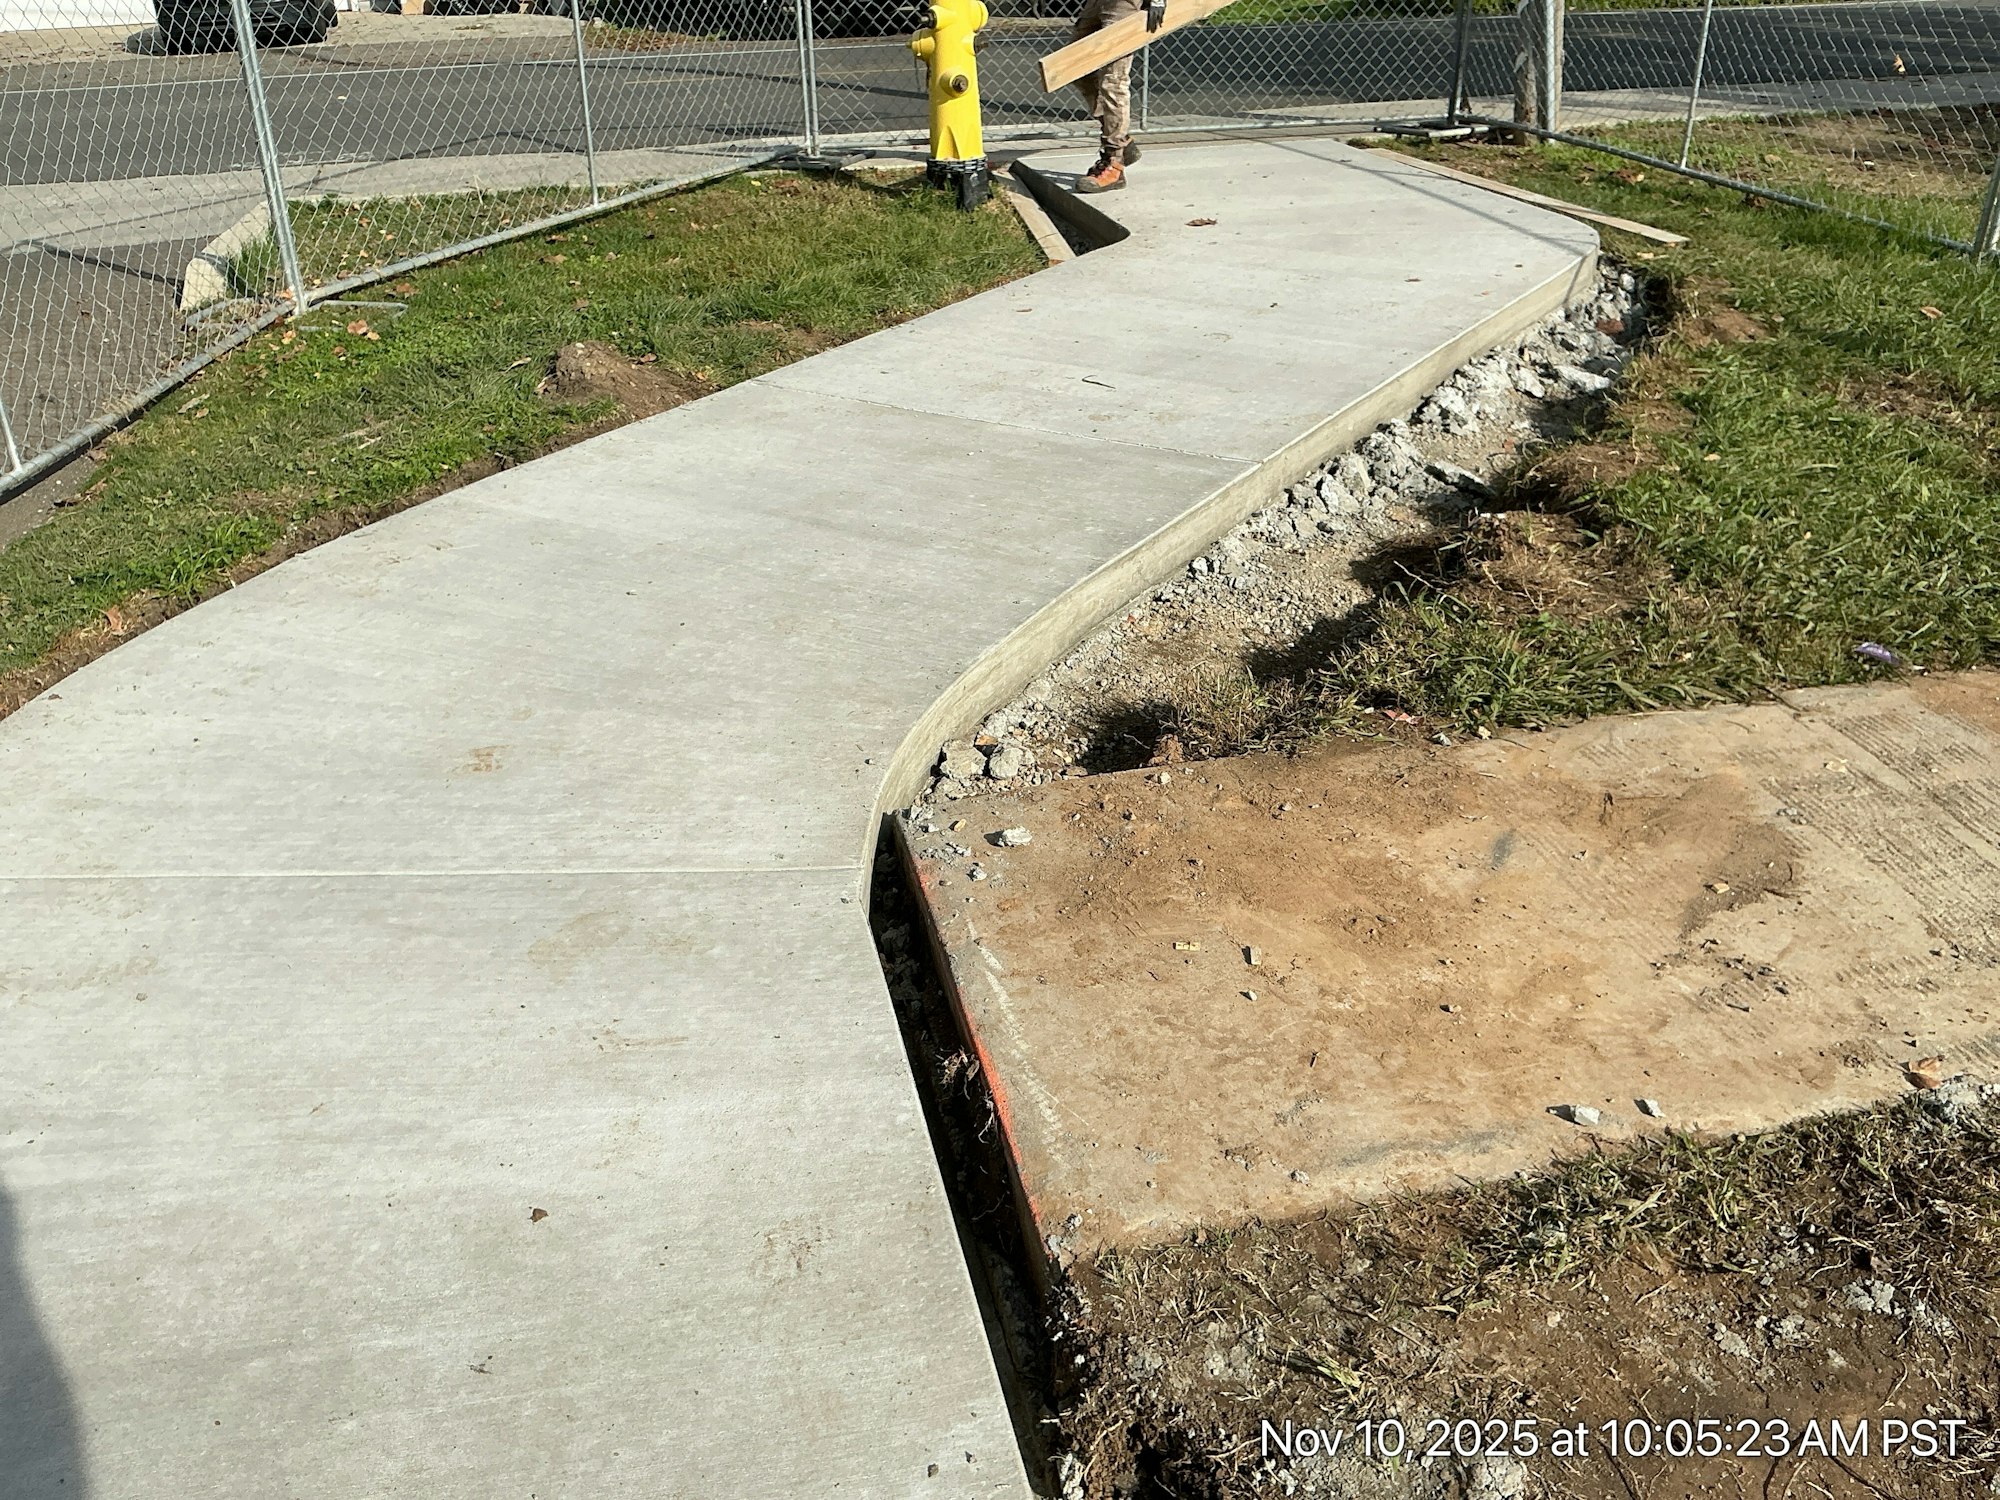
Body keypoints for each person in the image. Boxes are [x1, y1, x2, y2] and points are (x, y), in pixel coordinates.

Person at [1071, 0, 1145, 192]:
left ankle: (1115, 163)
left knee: (1113, 81)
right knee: (1074, 68)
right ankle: (1123, 143)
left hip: (1122, 4)